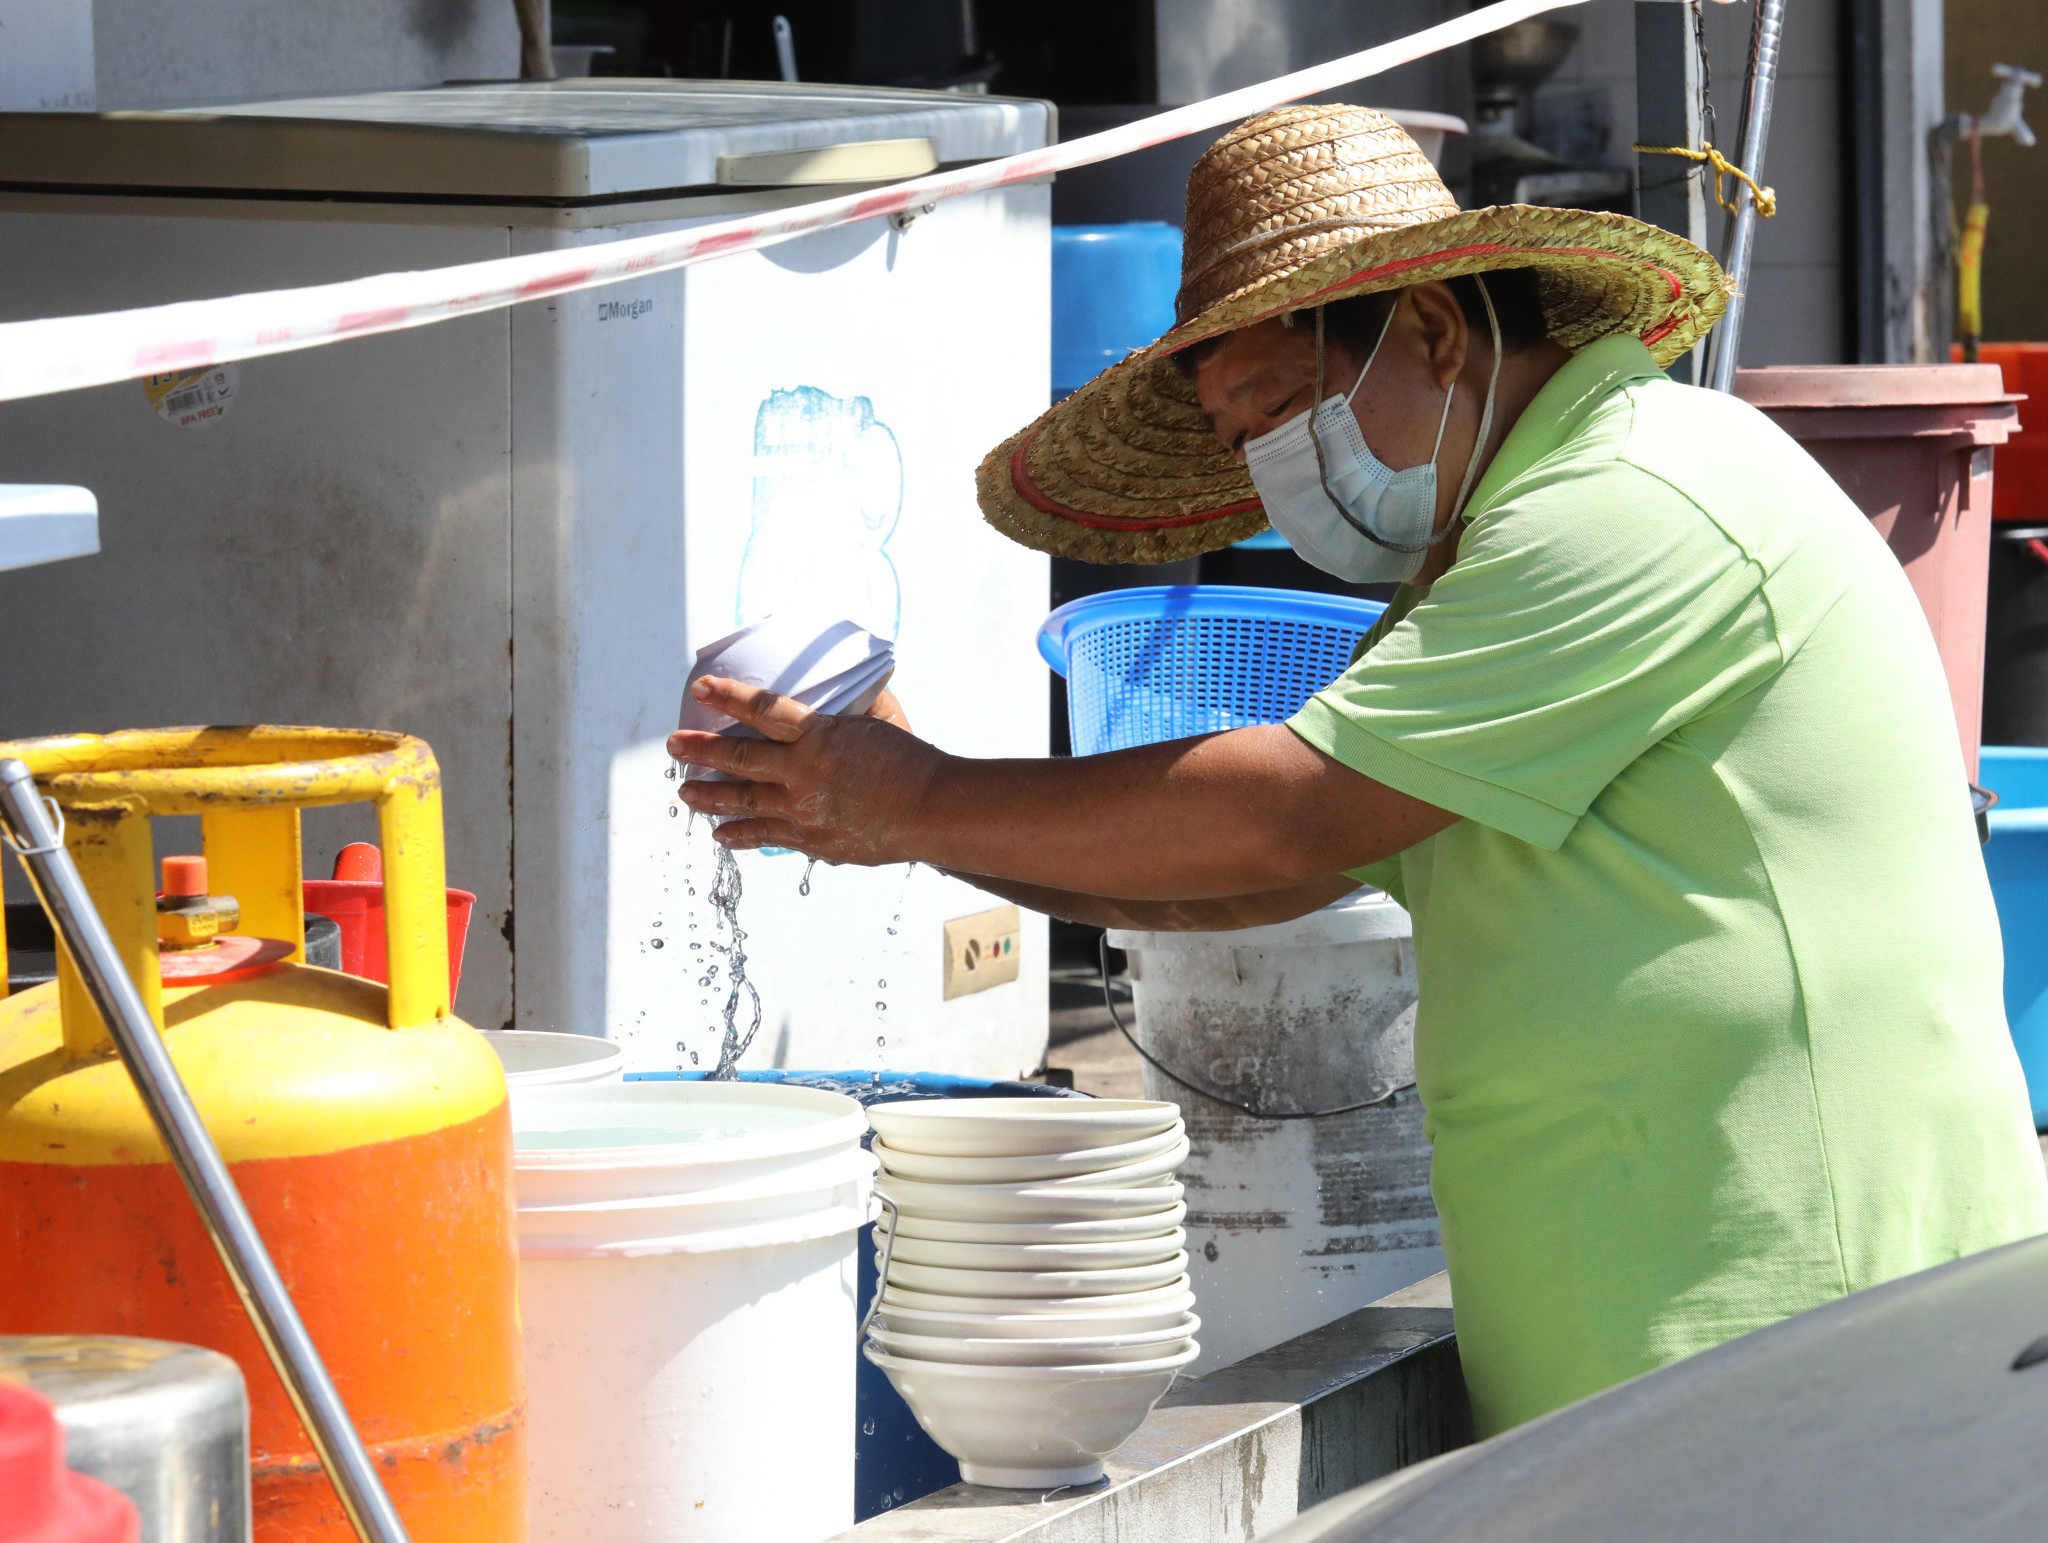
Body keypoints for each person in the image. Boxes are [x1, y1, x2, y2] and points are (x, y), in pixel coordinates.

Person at [669, 106, 2048, 1435]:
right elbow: (1277, 876)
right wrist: (902, 811)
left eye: (1277, 407)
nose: (1274, 475)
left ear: (1434, 331)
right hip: (1674, 1377)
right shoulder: (1494, 553)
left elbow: (1295, 809)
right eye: (1241, 443)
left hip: (1807, 1346)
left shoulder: (1629, 502)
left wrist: (907, 794)